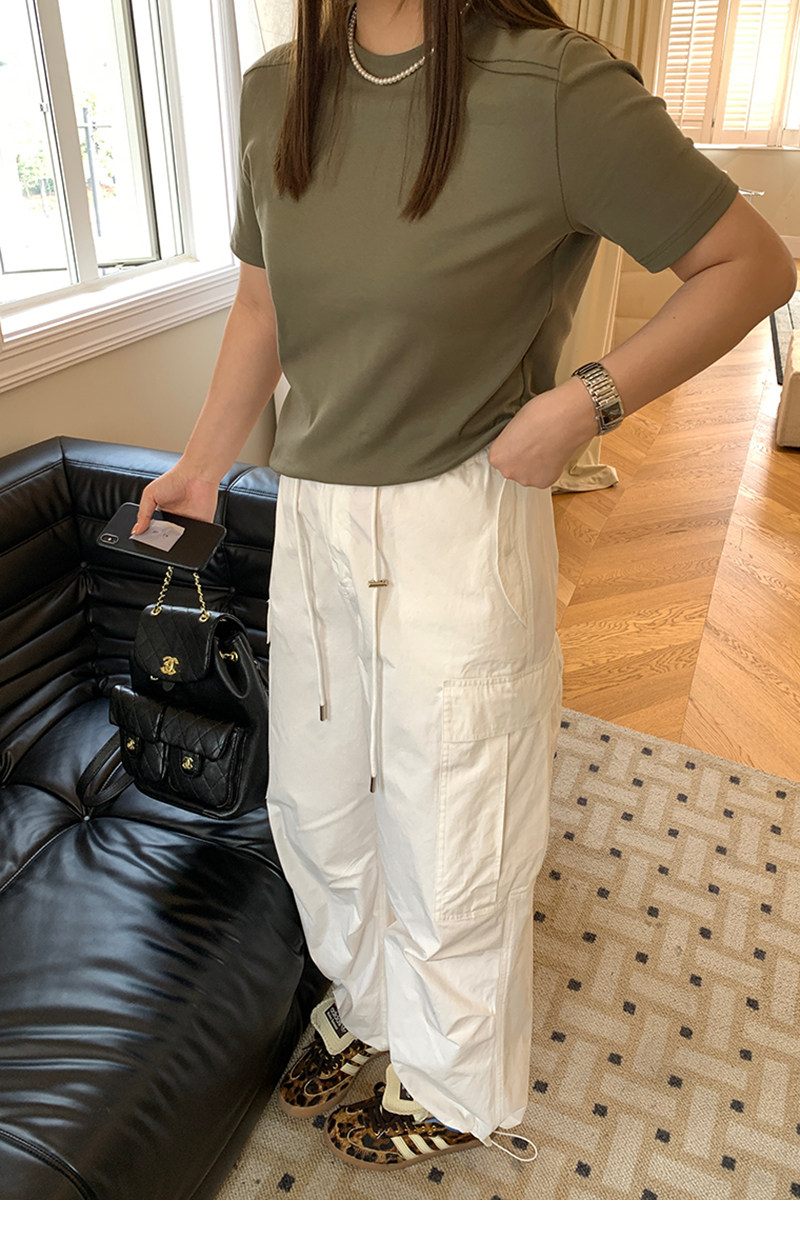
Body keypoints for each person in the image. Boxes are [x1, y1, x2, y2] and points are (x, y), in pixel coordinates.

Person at [131, 0, 796, 1172]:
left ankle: (452, 1076)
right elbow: (261, 303)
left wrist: (584, 401)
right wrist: (201, 461)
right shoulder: (274, 89)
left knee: (454, 816)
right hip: (314, 509)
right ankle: (372, 1005)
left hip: (460, 506)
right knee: (318, 799)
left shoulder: (555, 90)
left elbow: (750, 264)